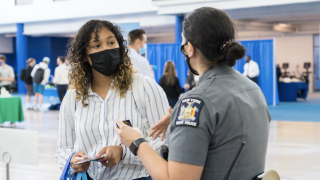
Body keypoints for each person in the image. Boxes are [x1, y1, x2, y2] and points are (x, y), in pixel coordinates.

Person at [115, 7, 271, 180]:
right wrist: (180, 117)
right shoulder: (252, 88)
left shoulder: (196, 102)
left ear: (190, 48)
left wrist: (137, 142)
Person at [55, 20, 169, 180]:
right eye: (96, 46)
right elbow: (62, 149)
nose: (106, 49)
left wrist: (125, 152)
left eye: (111, 42)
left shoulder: (144, 88)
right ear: (85, 56)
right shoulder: (74, 97)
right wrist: (73, 160)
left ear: (120, 47)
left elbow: (165, 144)